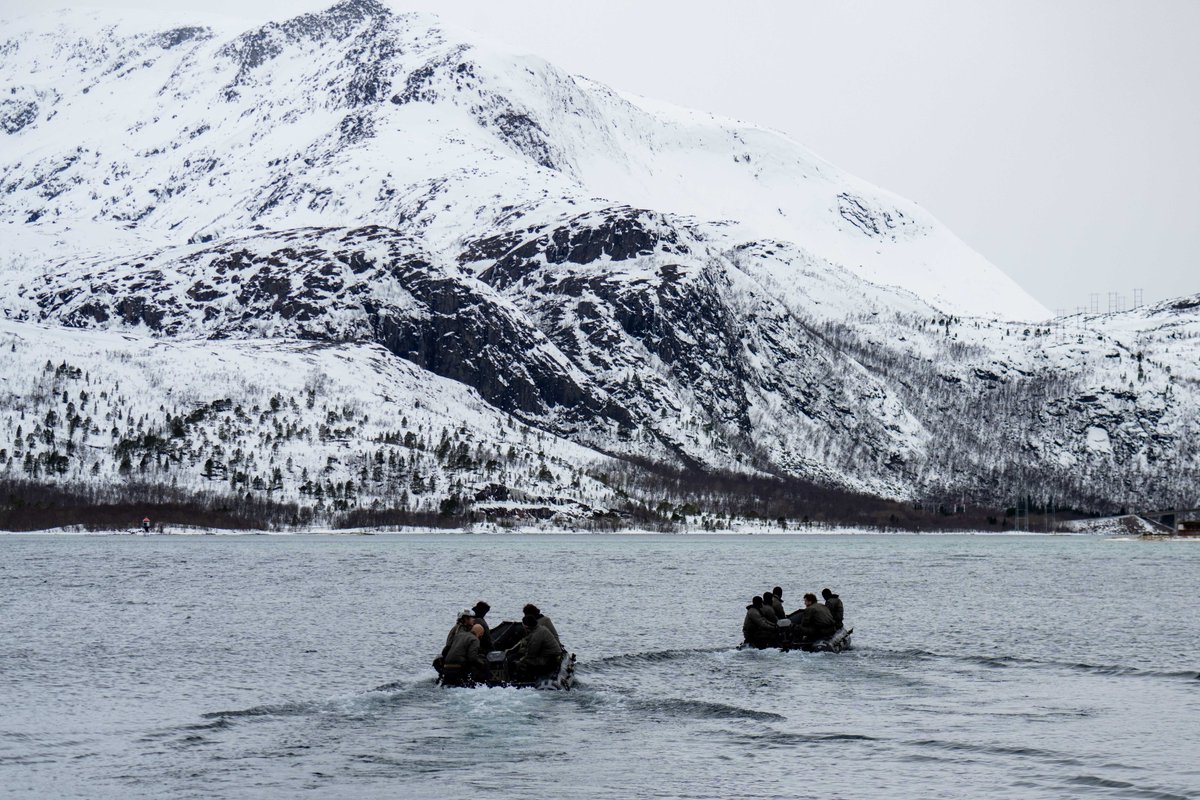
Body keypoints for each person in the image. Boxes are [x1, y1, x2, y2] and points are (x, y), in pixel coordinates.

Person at [512, 614, 561, 680]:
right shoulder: (541, 628)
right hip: (551, 657)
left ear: (526, 626)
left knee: (521, 663)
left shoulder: (536, 635)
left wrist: (519, 661)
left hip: (549, 661)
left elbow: (531, 654)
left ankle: (522, 679)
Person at [442, 613, 486, 686]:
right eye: (471, 618)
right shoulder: (473, 639)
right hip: (458, 669)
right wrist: (482, 664)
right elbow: (472, 657)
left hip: (447, 667)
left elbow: (447, 648)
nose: (473, 619)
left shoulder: (459, 634)